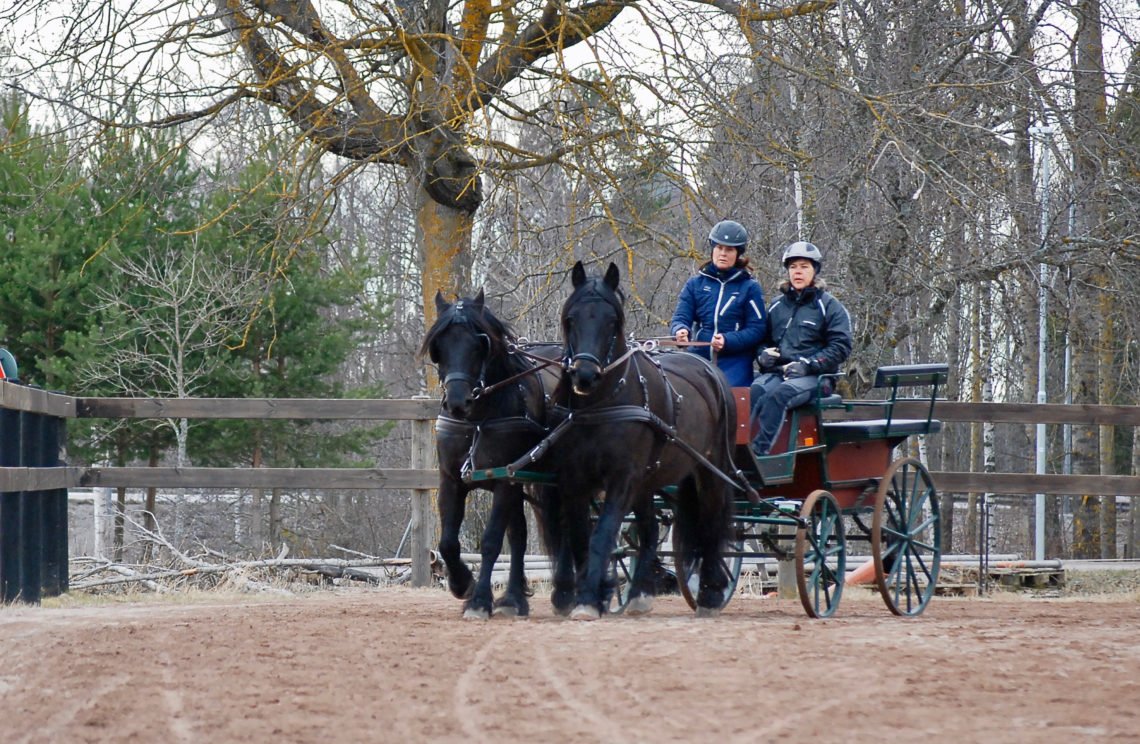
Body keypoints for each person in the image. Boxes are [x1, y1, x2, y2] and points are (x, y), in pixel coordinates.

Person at [750, 241, 852, 456]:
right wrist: (762, 355)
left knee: (780, 394)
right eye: (793, 267)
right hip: (778, 373)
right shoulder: (777, 305)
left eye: (804, 266)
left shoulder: (830, 306)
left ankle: (759, 456)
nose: (798, 272)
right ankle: (739, 451)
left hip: (817, 377)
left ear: (815, 271)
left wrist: (808, 365)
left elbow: (841, 347)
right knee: (754, 391)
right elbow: (762, 340)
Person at [669, 220, 767, 387]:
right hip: (697, 358)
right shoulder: (695, 284)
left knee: (729, 401)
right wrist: (680, 330)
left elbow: (757, 329)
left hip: (734, 361)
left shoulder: (750, 287)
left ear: (738, 254)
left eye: (729, 249)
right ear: (712, 249)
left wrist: (728, 341)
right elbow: (680, 317)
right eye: (719, 247)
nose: (723, 253)